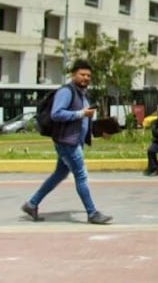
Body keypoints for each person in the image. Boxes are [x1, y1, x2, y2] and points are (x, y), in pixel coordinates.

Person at [21, 59, 112, 225]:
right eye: (82, 74)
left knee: (59, 174)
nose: (86, 78)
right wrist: (81, 114)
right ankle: (92, 213)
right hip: (67, 142)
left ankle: (31, 204)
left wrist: (99, 131)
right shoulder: (67, 91)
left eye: (88, 75)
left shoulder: (82, 94)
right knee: (81, 175)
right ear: (73, 75)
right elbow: (57, 113)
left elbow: (83, 120)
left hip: (74, 141)